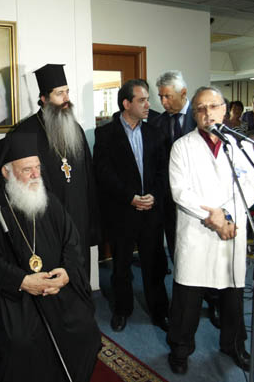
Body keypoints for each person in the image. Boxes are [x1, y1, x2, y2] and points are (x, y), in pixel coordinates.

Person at [0, 132, 101, 382]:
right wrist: (22, 281)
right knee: (19, 342)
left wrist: (67, 273)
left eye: (37, 167)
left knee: (85, 328)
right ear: (6, 172)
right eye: (27, 169)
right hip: (13, 294)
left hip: (54, 286)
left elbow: (72, 241)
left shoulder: (49, 201)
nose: (35, 175)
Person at [166, 86, 254, 374]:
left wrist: (227, 214)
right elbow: (180, 192)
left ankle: (234, 345)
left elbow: (252, 185)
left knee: (232, 294)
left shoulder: (241, 145)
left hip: (231, 228)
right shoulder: (182, 146)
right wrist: (215, 217)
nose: (208, 113)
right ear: (195, 114)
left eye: (213, 106)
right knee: (188, 298)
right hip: (197, 230)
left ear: (225, 109)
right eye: (201, 108)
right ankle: (180, 350)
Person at [0, 63, 98, 277]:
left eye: (67, 92)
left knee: (79, 276)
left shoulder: (76, 129)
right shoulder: (25, 132)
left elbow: (89, 177)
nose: (66, 99)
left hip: (79, 218)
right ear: (44, 98)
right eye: (59, 94)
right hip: (47, 222)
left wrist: (92, 222)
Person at [93, 79, 169, 333]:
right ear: (126, 103)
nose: (148, 105)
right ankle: (122, 310)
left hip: (151, 211)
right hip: (122, 211)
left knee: (154, 264)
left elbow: (163, 171)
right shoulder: (105, 134)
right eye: (142, 100)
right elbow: (103, 173)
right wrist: (131, 197)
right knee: (122, 266)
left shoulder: (155, 133)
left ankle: (159, 311)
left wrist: (153, 196)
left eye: (148, 99)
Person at [151, 70, 197, 261]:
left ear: (183, 92)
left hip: (197, 195)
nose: (163, 102)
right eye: (161, 96)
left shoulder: (200, 119)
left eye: (168, 96)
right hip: (169, 197)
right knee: (175, 248)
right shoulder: (158, 123)